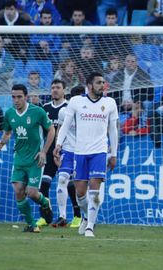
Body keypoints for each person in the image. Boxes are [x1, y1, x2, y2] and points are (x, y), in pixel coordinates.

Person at [54, 72, 119, 237]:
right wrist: (58, 145)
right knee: (80, 193)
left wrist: (114, 153)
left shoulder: (110, 103)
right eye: (99, 83)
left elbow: (113, 129)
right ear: (89, 85)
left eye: (103, 82)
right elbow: (65, 126)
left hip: (99, 152)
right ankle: (85, 216)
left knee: (94, 190)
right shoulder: (76, 101)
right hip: (80, 152)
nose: (102, 85)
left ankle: (90, 226)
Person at [0, 84, 55, 232]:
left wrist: (44, 152)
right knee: (18, 190)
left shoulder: (37, 112)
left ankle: (45, 202)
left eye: (19, 97)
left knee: (32, 193)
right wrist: (2, 142)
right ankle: (32, 225)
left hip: (35, 160)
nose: (16, 100)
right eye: (13, 97)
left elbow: (51, 130)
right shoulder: (9, 113)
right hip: (19, 159)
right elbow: (8, 132)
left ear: (26, 97)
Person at [36, 79, 81, 228]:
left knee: (70, 184)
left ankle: (77, 216)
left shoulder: (70, 108)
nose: (55, 90)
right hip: (49, 152)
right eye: (53, 87)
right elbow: (40, 130)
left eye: (58, 87)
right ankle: (45, 217)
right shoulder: (45, 108)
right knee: (44, 184)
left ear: (64, 90)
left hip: (65, 151)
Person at [52, 85, 86, 228]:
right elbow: (60, 129)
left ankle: (86, 218)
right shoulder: (63, 112)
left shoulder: (88, 113)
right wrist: (57, 147)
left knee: (82, 187)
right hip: (68, 150)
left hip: (84, 151)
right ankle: (62, 217)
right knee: (62, 179)